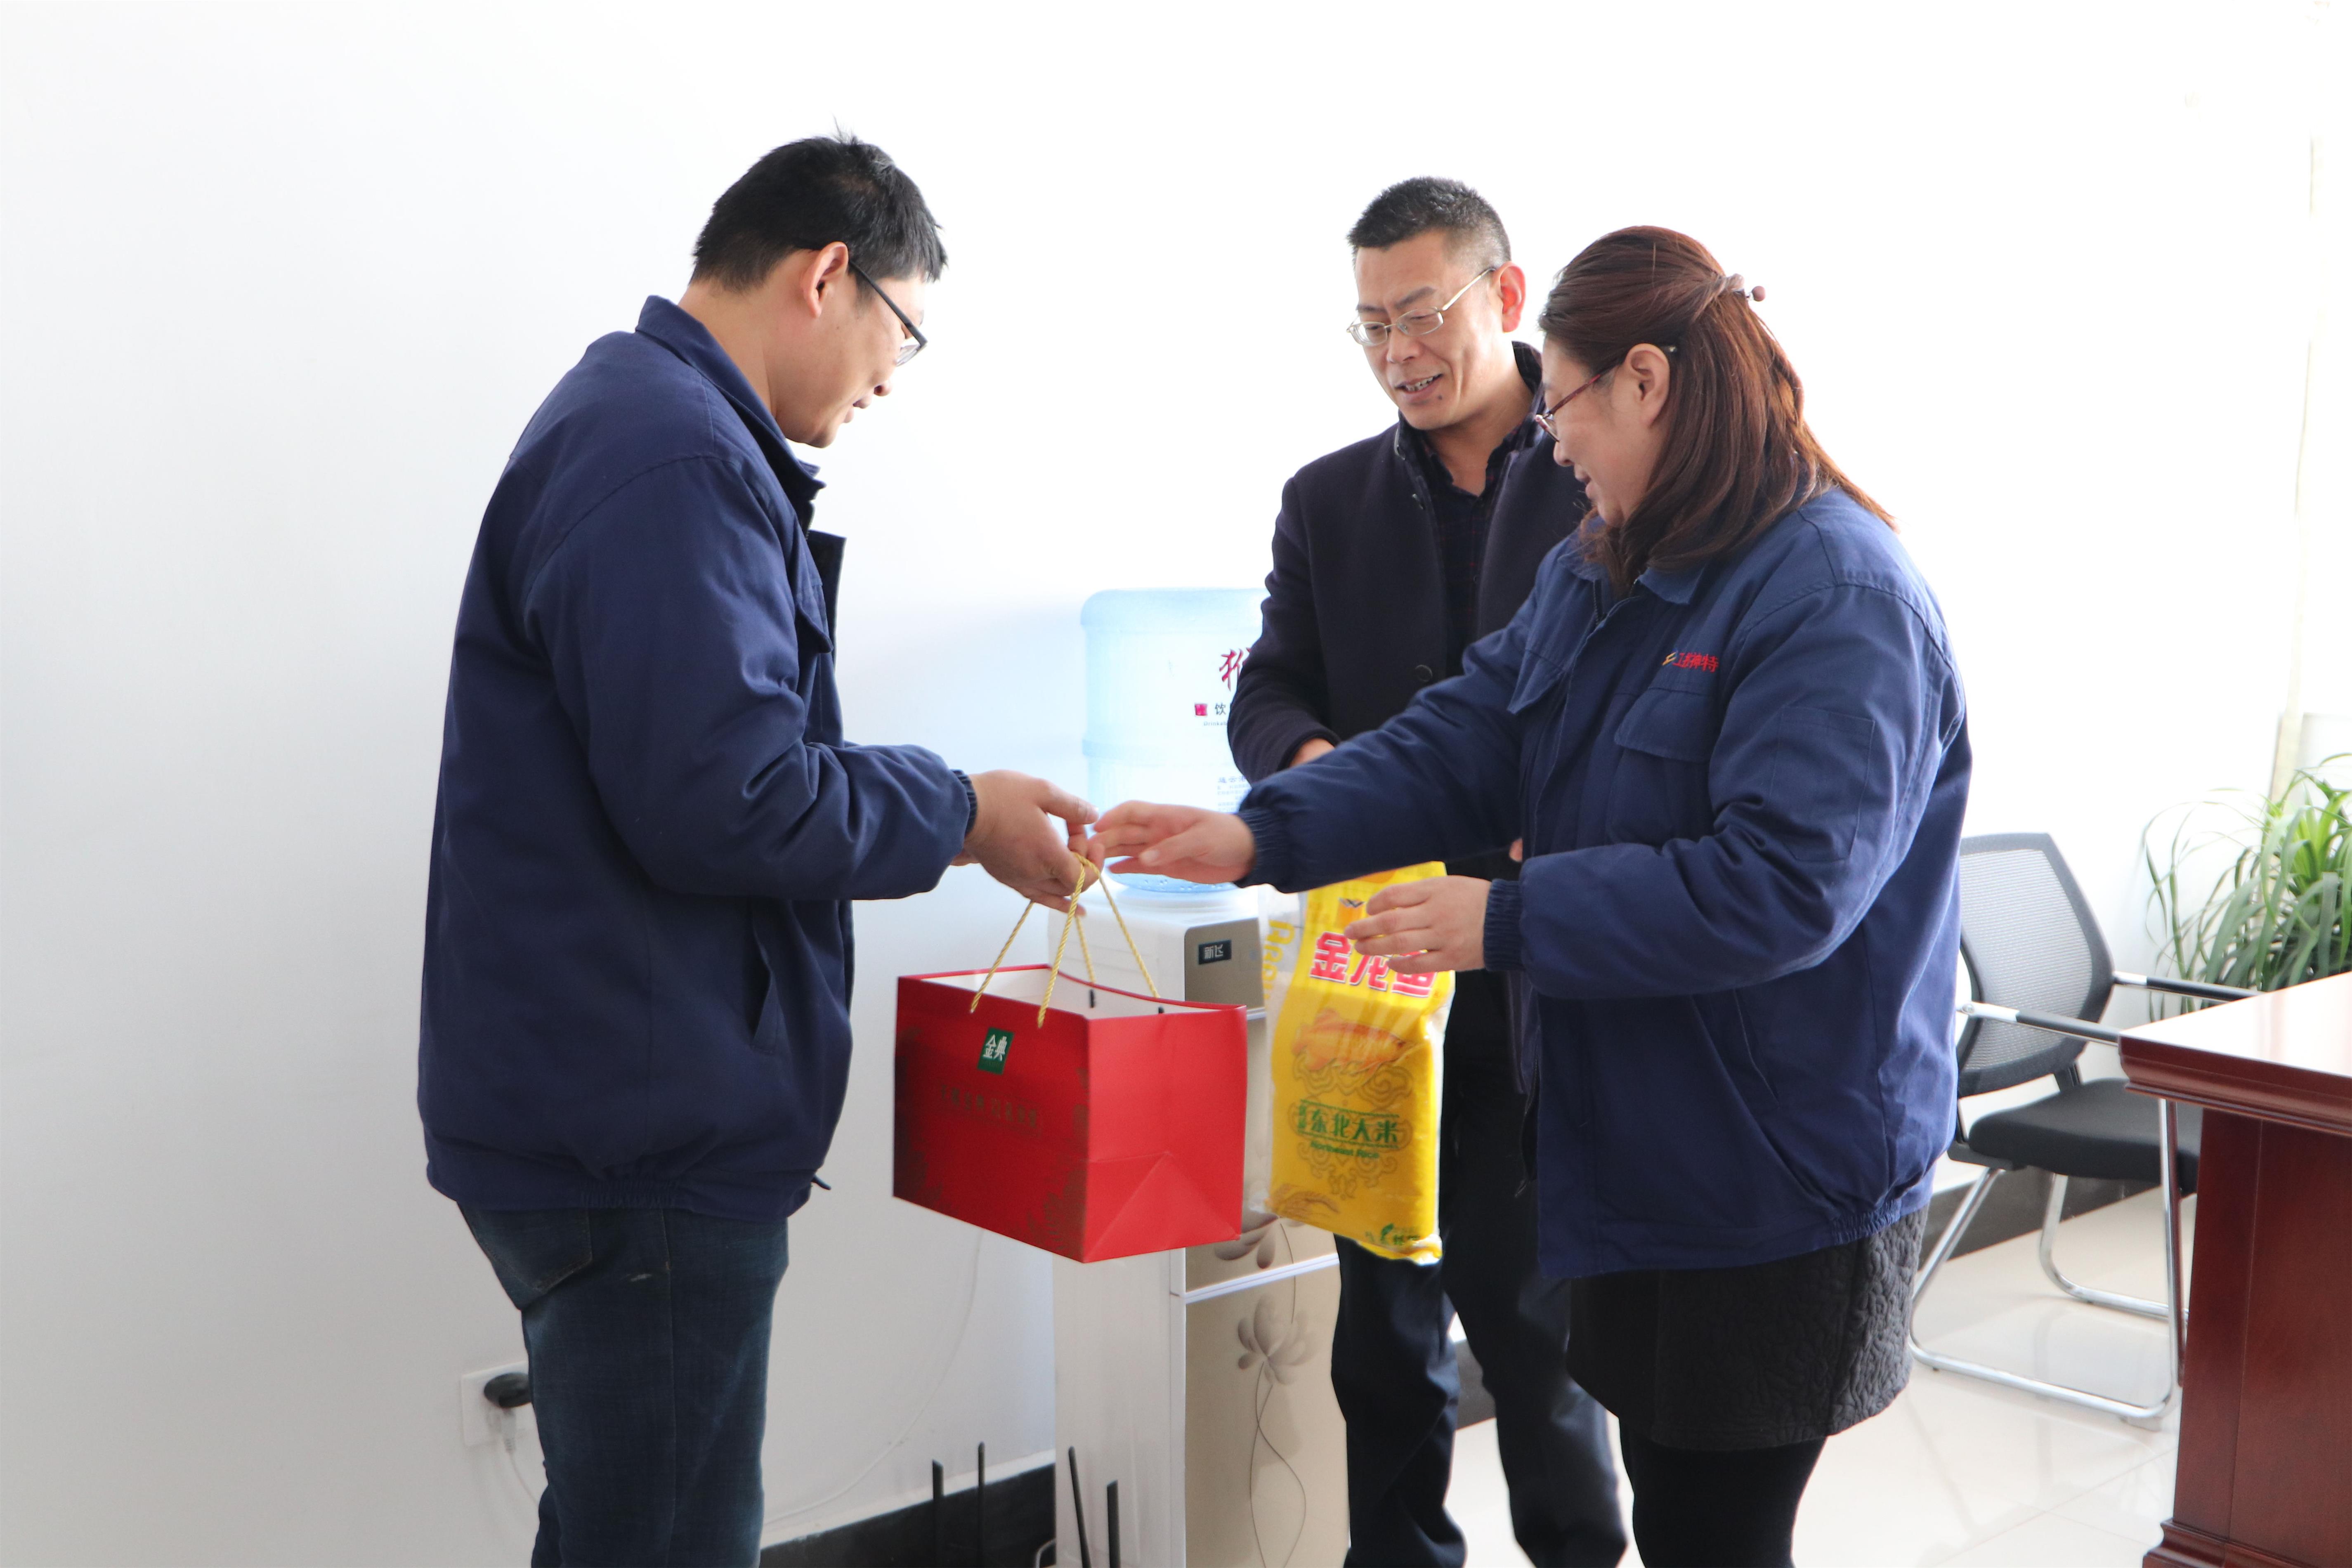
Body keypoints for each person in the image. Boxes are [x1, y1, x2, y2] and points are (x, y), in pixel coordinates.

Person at [1093, 226, 1967, 1568]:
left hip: (1773, 1174)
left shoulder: (1835, 593)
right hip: (1632, 1142)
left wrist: (1502, 921)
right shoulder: (1612, 554)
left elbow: (1783, 889)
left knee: (1716, 1530)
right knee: (1666, 1499)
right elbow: (1470, 731)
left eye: (1559, 408)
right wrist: (1258, 834)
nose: (1551, 448)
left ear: (1644, 382)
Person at [418, 135, 1094, 1568]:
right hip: (636, 1132)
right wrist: (962, 812)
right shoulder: (667, 455)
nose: (892, 377)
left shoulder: (648, 424)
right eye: (903, 330)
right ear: (827, 274)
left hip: (605, 1100)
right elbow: (729, 800)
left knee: (622, 1525)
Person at [1227, 177, 1625, 1568]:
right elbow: (1267, 687)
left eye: (1420, 314)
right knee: (1381, 1327)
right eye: (1369, 326)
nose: (1397, 352)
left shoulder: (1597, 473)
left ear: (1503, 297)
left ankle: (1577, 1551)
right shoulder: (1327, 500)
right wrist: (1325, 766)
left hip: (1526, 948)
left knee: (1533, 1324)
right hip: (1374, 954)